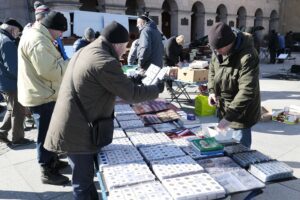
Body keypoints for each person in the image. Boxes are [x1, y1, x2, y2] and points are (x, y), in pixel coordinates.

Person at [44, 21, 164, 199]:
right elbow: (131, 94)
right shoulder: (104, 60)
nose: (124, 51)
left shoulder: (91, 50)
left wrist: (132, 79)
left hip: (76, 122)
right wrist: (157, 89)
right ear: (116, 44)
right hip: (77, 130)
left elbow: (110, 83)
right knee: (82, 183)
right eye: (124, 46)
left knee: (85, 179)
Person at [18, 11, 70, 185]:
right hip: (42, 96)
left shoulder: (39, 35)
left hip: (43, 92)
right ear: (52, 28)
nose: (61, 35)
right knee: (46, 134)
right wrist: (70, 63)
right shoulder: (38, 40)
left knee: (50, 132)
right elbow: (51, 71)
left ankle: (52, 161)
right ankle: (47, 170)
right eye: (60, 31)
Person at [207, 22, 260, 148]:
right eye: (215, 49)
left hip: (241, 114)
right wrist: (212, 91)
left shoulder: (248, 56)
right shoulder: (217, 51)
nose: (217, 52)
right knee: (223, 147)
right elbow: (212, 71)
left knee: (240, 152)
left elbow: (247, 90)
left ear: (229, 43)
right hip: (224, 108)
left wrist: (229, 117)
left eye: (219, 49)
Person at [0, 19, 33, 146]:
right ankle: (17, 139)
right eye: (18, 32)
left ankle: (2, 132)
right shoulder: (6, 42)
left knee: (11, 109)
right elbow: (14, 68)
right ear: (13, 29)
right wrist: (25, 80)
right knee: (18, 111)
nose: (17, 35)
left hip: (5, 82)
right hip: (12, 83)